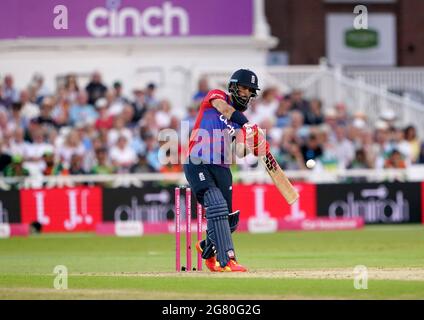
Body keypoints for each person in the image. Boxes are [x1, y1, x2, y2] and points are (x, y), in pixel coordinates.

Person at [184, 69, 268, 272]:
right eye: (244, 88)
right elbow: (227, 110)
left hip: (222, 167)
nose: (247, 93)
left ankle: (206, 249)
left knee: (229, 220)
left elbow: (239, 151)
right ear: (233, 87)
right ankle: (227, 260)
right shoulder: (216, 96)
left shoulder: (240, 122)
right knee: (216, 204)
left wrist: (254, 145)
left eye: (251, 91)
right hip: (198, 161)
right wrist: (247, 125)